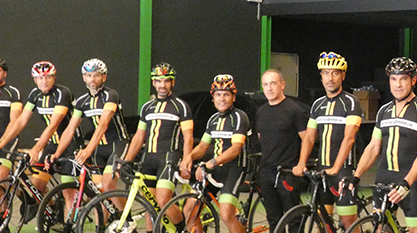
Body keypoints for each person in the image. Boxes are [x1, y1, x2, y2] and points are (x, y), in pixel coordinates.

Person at [353, 57, 417, 233]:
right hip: (384, 177)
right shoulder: (384, 111)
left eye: (403, 79)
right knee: (381, 228)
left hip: (412, 181)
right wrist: (356, 176)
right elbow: (373, 147)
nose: (398, 84)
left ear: (413, 80)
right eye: (393, 79)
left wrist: (407, 183)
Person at [292, 52, 363, 229]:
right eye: (326, 73)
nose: (330, 78)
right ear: (321, 77)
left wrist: (336, 167)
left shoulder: (351, 102)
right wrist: (301, 163)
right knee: (323, 222)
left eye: (335, 73)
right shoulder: (318, 104)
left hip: (343, 170)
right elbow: (309, 137)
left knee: (348, 221)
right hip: (322, 169)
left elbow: (349, 138)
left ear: (343, 76)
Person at [121, 62, 193, 232]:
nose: (162, 85)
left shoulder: (181, 106)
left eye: (166, 81)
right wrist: (126, 161)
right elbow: (139, 137)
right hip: (149, 158)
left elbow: (188, 137)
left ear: (172, 82)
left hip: (169, 157)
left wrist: (186, 160)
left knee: (162, 199)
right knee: (149, 205)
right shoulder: (147, 107)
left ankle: (182, 229)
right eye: (159, 81)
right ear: (153, 82)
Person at [0, 61, 81, 192]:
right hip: (52, 144)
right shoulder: (35, 94)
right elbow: (21, 121)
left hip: (70, 145)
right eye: (40, 78)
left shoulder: (62, 93)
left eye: (48, 77)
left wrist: (35, 149)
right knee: (36, 186)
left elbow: (53, 125)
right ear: (35, 80)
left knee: (68, 192)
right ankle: (50, 203)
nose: (44, 81)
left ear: (54, 78)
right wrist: (1, 143)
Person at [180, 74, 251, 233]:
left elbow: (236, 148)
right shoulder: (213, 120)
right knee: (189, 209)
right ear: (213, 98)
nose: (222, 99)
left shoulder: (239, 117)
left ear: (233, 97)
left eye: (226, 94)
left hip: (234, 169)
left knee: (226, 215)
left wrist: (211, 163)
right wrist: (188, 158)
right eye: (218, 95)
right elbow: (202, 147)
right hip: (215, 169)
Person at [51, 59, 130, 195]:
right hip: (99, 148)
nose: (92, 79)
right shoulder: (82, 102)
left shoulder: (111, 95)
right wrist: (57, 154)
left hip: (117, 143)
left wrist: (88, 150)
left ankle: (125, 210)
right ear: (84, 77)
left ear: (104, 77)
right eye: (89, 75)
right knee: (98, 192)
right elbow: (70, 129)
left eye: (96, 75)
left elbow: (103, 125)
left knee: (108, 185)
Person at [255, 69, 309, 233]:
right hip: (266, 173)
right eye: (265, 84)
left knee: (293, 219)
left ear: (282, 85)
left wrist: (301, 164)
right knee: (273, 219)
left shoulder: (294, 110)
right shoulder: (261, 111)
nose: (269, 88)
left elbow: (307, 139)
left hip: (287, 173)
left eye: (273, 83)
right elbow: (261, 138)